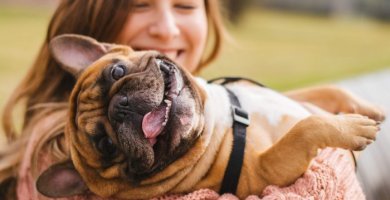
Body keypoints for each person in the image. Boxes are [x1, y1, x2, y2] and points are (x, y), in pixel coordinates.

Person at [0, 0, 383, 199]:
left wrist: (330, 100)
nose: (166, 28)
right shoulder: (54, 150)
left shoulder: (203, 100)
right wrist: (335, 150)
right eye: (139, 5)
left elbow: (270, 105)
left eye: (185, 6)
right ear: (93, 19)